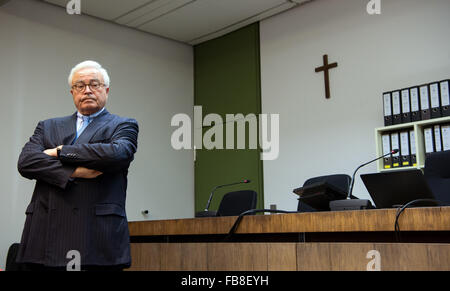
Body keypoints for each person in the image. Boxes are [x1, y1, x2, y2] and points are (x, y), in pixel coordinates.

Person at [16, 60, 139, 271]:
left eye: (95, 84)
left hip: (95, 236)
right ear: (72, 92)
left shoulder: (123, 124)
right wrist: (75, 170)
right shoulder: (48, 126)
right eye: (80, 85)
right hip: (45, 234)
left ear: (106, 90)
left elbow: (117, 153)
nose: (87, 90)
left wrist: (60, 151)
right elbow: (27, 162)